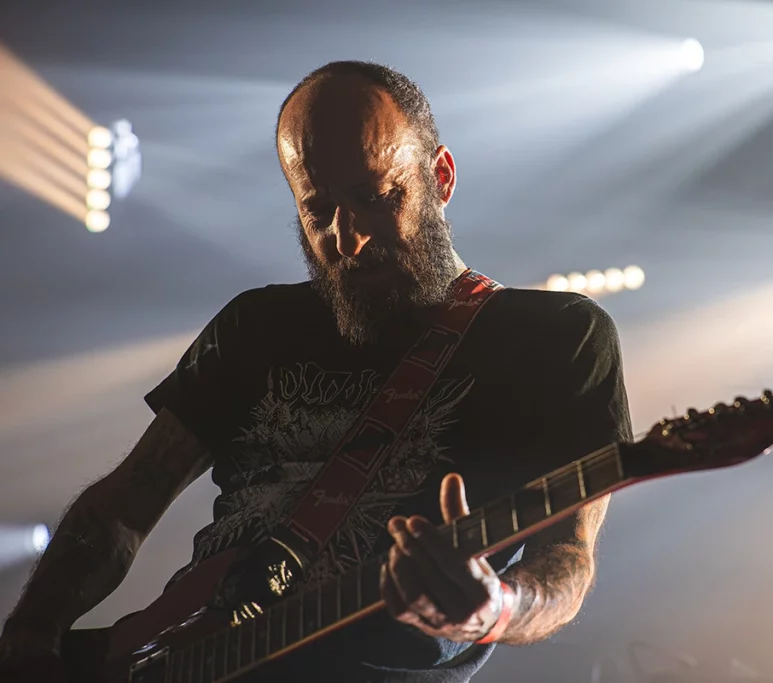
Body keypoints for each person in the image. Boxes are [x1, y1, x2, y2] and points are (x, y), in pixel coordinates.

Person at [0, 61, 632, 682]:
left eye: (375, 197)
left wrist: (496, 609)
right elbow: (124, 505)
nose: (347, 238)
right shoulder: (255, 325)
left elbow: (567, 559)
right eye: (318, 208)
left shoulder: (559, 338)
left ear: (439, 175)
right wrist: (29, 636)